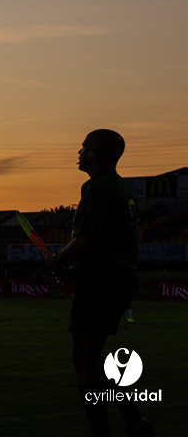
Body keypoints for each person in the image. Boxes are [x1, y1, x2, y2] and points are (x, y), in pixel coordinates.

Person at [47, 130, 155, 437]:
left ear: (94, 153)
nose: (79, 153)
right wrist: (75, 270)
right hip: (117, 278)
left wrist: (58, 260)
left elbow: (86, 241)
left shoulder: (96, 188)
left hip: (103, 281)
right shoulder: (122, 188)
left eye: (83, 148)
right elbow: (107, 243)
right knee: (92, 361)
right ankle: (135, 423)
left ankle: (109, 430)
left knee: (83, 361)